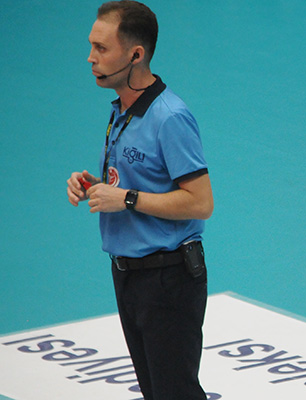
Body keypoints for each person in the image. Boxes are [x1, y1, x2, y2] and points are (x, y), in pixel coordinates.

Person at [66, 1, 213, 399]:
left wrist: (126, 198)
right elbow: (139, 182)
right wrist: (96, 186)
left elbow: (200, 202)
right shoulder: (123, 110)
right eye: (92, 46)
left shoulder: (170, 117)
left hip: (167, 278)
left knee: (175, 392)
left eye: (101, 48)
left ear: (135, 55)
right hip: (128, 274)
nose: (91, 58)